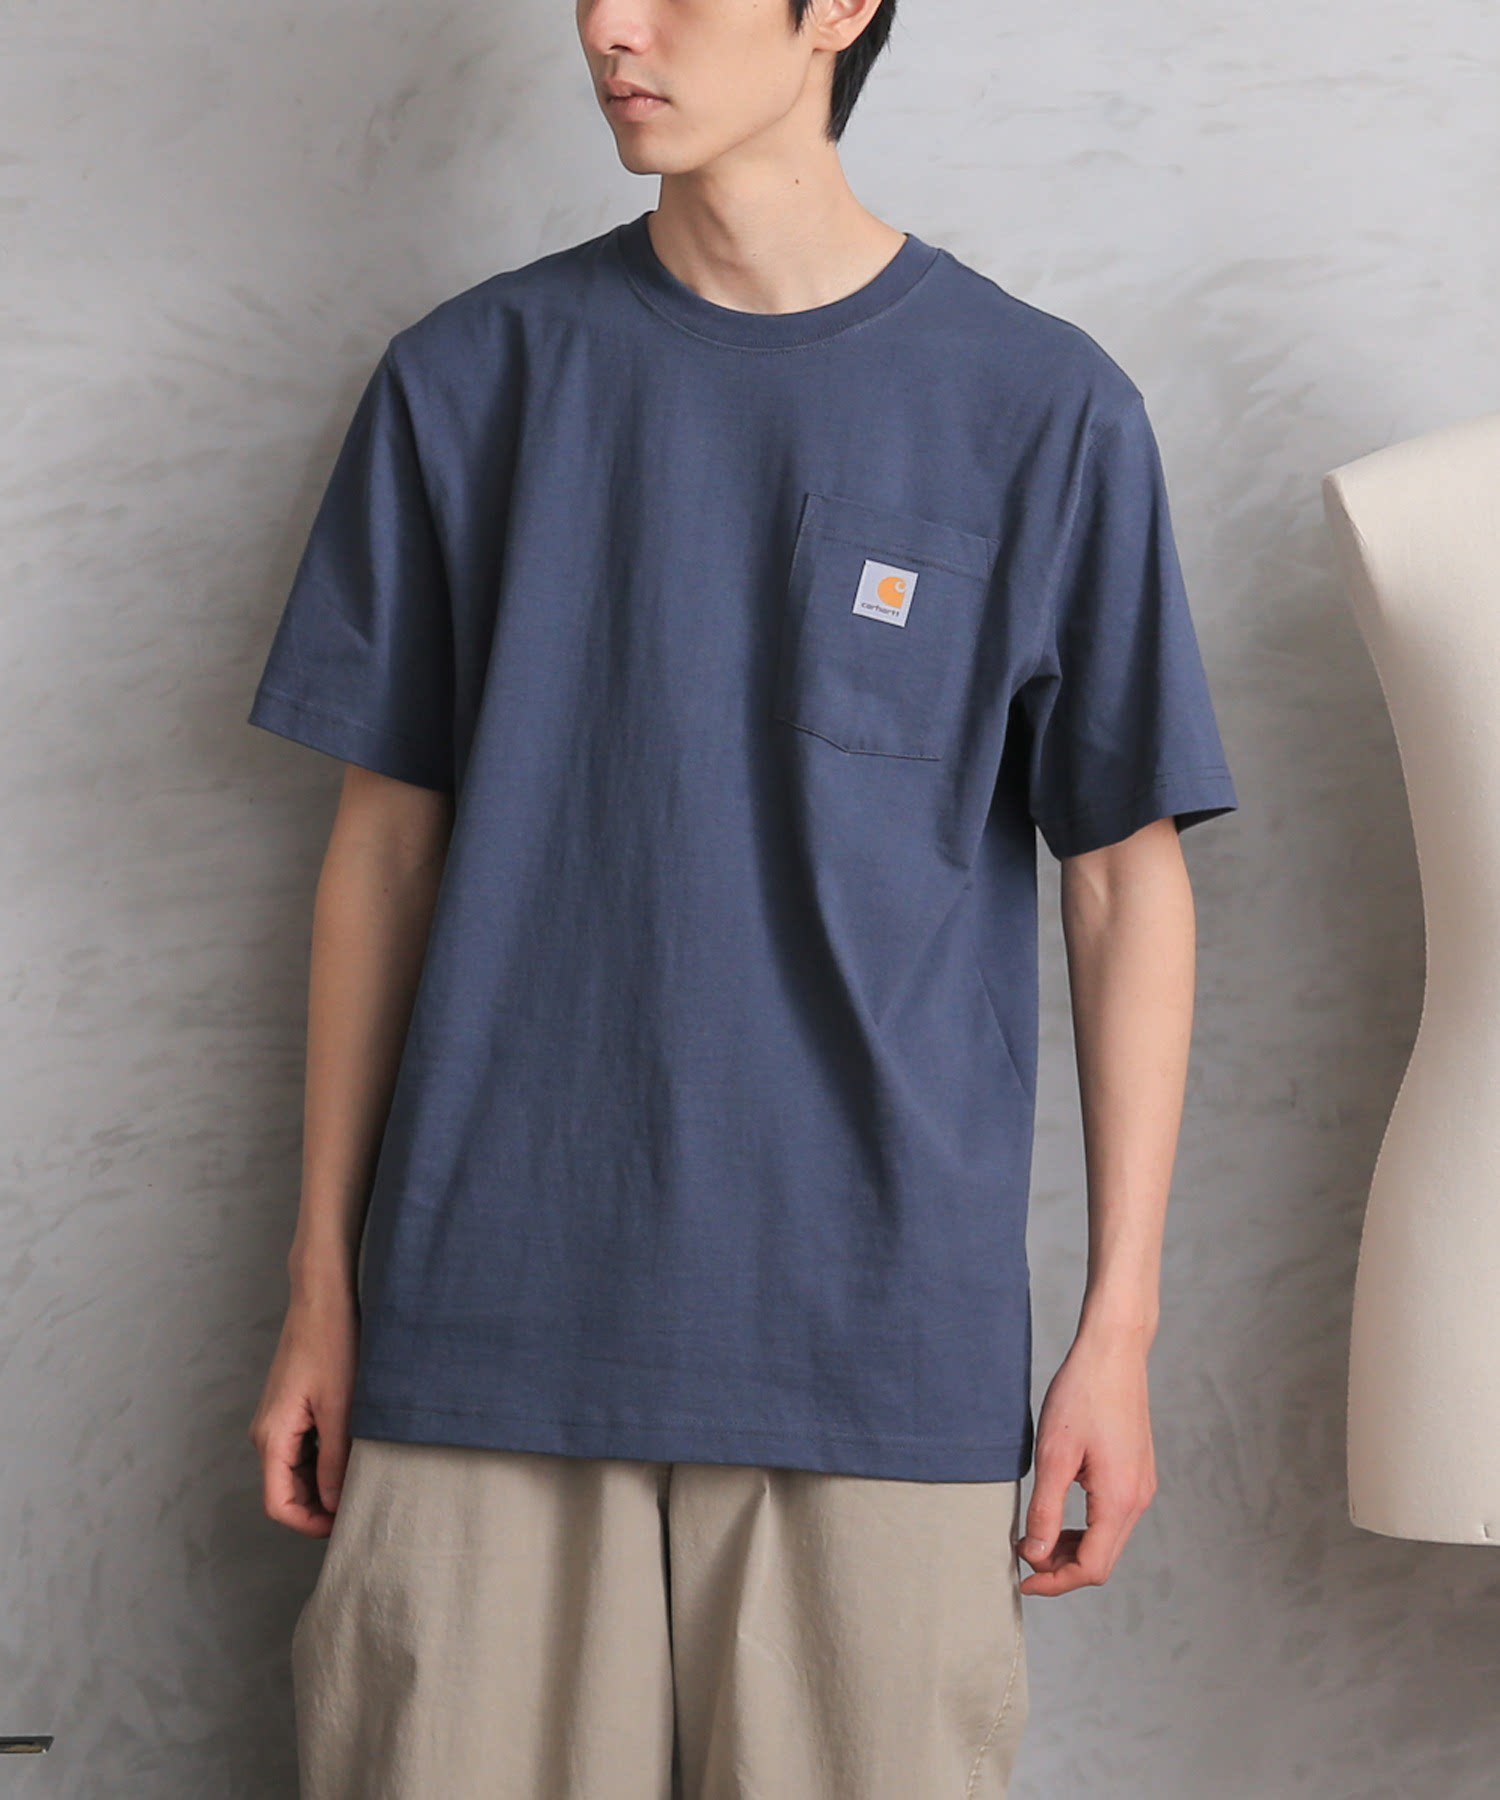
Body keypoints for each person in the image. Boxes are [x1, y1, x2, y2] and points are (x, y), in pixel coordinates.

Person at [245, 1, 1240, 1794]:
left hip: (876, 1346)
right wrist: (321, 1282)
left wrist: (1120, 1329)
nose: (610, 25)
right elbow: (379, 857)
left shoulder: (1041, 407)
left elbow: (1123, 882)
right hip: (487, 1332)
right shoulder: (470, 381)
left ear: (839, 5)